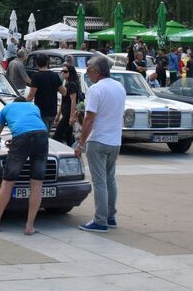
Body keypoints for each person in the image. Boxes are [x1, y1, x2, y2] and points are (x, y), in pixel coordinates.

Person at [71, 56, 126, 233]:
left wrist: (80, 143)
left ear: (97, 71)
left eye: (88, 68)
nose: (87, 72)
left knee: (100, 181)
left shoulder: (96, 89)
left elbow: (89, 118)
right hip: (115, 140)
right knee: (110, 179)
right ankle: (110, 216)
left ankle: (100, 220)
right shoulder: (119, 87)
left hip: (98, 139)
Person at [0, 96, 48, 234]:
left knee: (8, 182)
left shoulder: (6, 108)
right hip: (42, 137)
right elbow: (32, 127)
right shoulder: (33, 107)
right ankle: (29, 226)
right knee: (37, 184)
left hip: (21, 138)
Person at [26, 53, 61, 129]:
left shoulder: (36, 76)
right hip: (53, 111)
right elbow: (64, 91)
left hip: (42, 111)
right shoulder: (55, 75)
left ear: (37, 63)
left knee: (43, 135)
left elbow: (31, 95)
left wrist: (24, 106)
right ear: (47, 62)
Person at [53, 64, 79, 145]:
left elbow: (73, 101)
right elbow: (63, 101)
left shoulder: (72, 85)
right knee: (69, 137)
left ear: (70, 72)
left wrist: (71, 116)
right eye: (62, 71)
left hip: (68, 114)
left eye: (65, 71)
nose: (63, 73)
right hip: (65, 113)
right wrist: (58, 115)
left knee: (57, 136)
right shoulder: (66, 85)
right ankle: (72, 153)